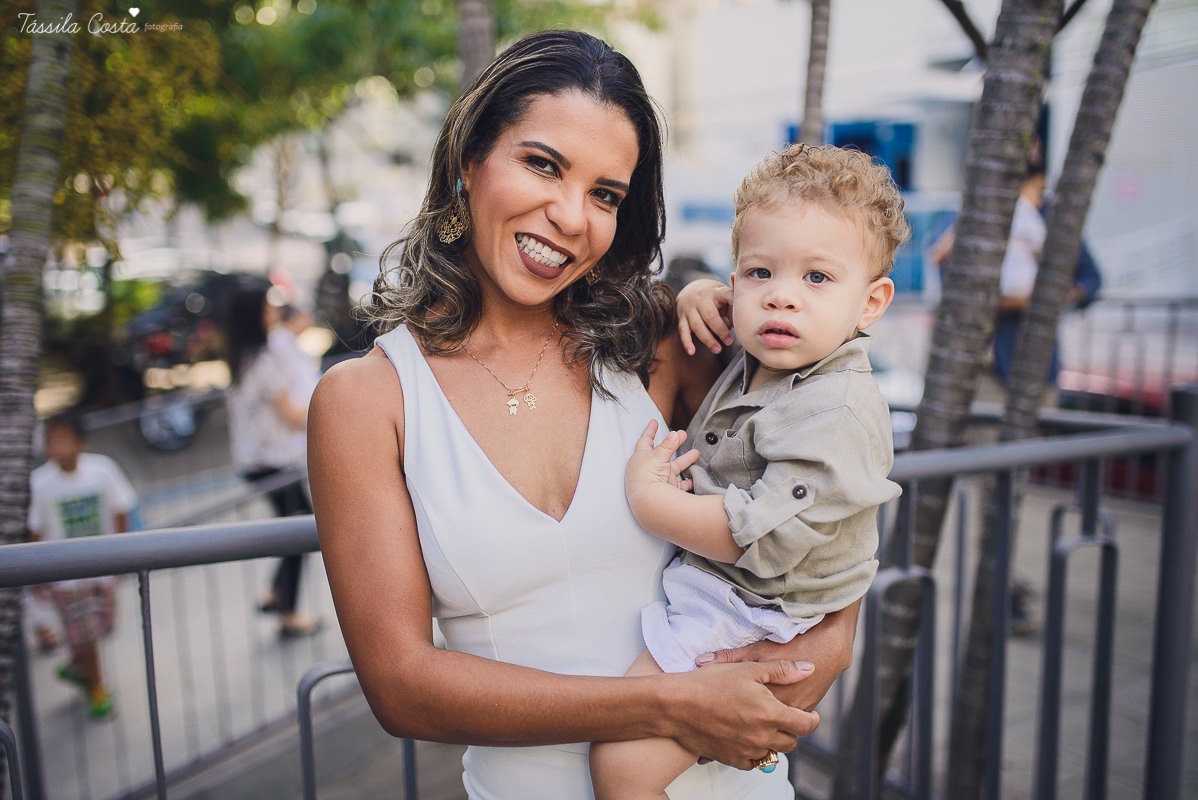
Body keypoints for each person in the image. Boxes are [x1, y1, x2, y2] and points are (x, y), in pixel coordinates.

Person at [309, 30, 860, 799]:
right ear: (470, 160)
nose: (571, 216)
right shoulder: (366, 401)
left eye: (606, 194)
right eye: (543, 164)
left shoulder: (661, 348)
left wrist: (835, 635)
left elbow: (830, 478)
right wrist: (666, 702)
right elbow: (401, 685)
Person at [589, 144, 905, 798]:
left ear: (871, 303)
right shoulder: (775, 347)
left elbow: (753, 536)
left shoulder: (834, 410)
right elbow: (739, 302)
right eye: (760, 273)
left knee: (621, 769)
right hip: (737, 597)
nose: (782, 298)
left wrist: (648, 497)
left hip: (749, 608)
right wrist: (705, 294)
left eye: (817, 278)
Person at [27, 411, 137, 719]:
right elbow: (34, 529)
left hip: (100, 568)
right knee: (86, 633)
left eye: (64, 440)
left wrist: (122, 554)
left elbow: (120, 509)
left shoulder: (102, 470)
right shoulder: (40, 483)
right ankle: (97, 689)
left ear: (81, 442)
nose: (57, 447)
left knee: (102, 627)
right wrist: (37, 574)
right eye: (52, 441)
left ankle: (78, 667)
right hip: (66, 576)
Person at [226, 285, 322, 638]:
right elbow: (291, 414)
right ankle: (289, 611)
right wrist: (331, 410)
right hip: (272, 461)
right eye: (268, 306)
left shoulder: (245, 355)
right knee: (299, 530)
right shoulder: (264, 360)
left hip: (257, 459)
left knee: (294, 523)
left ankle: (277, 593)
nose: (274, 311)